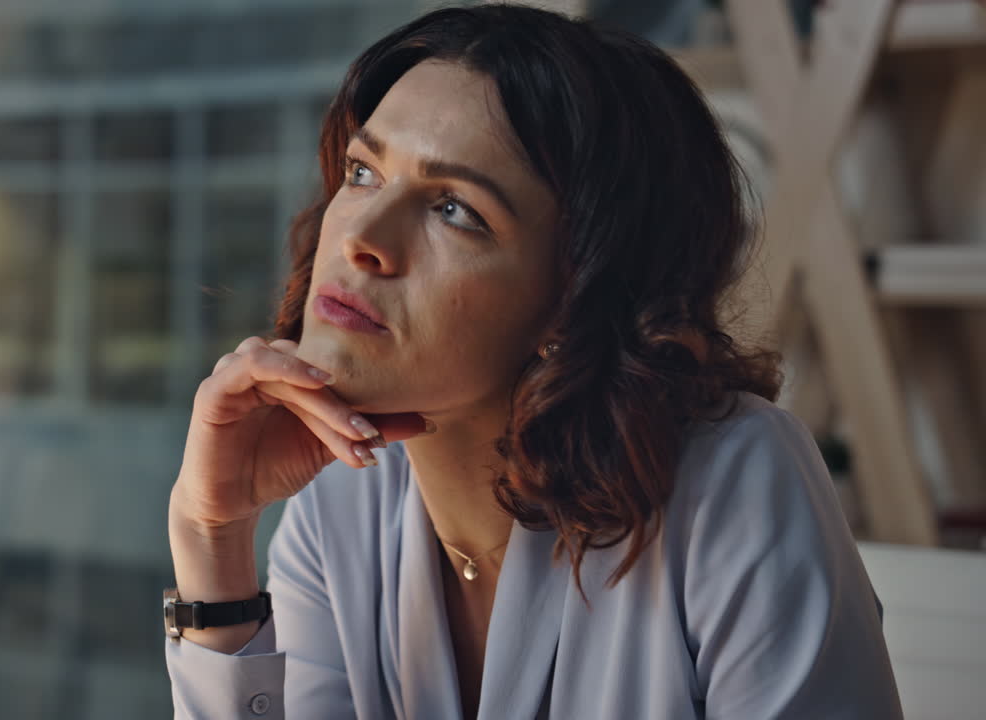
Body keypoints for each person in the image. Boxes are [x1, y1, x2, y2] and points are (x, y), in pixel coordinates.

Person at [163, 4, 904, 719]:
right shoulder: (341, 502)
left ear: (575, 297)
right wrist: (212, 536)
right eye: (363, 173)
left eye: (455, 209)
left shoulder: (735, 483)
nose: (362, 239)